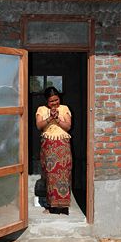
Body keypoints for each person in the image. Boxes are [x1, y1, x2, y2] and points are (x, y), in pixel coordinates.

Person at [36, 87, 72, 215]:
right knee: (50, 175)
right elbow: (39, 126)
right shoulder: (41, 110)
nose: (55, 103)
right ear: (47, 101)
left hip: (62, 146)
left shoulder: (64, 109)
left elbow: (68, 126)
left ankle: (63, 206)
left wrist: (57, 119)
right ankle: (51, 206)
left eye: (56, 100)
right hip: (48, 146)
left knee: (64, 175)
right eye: (51, 101)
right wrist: (49, 118)